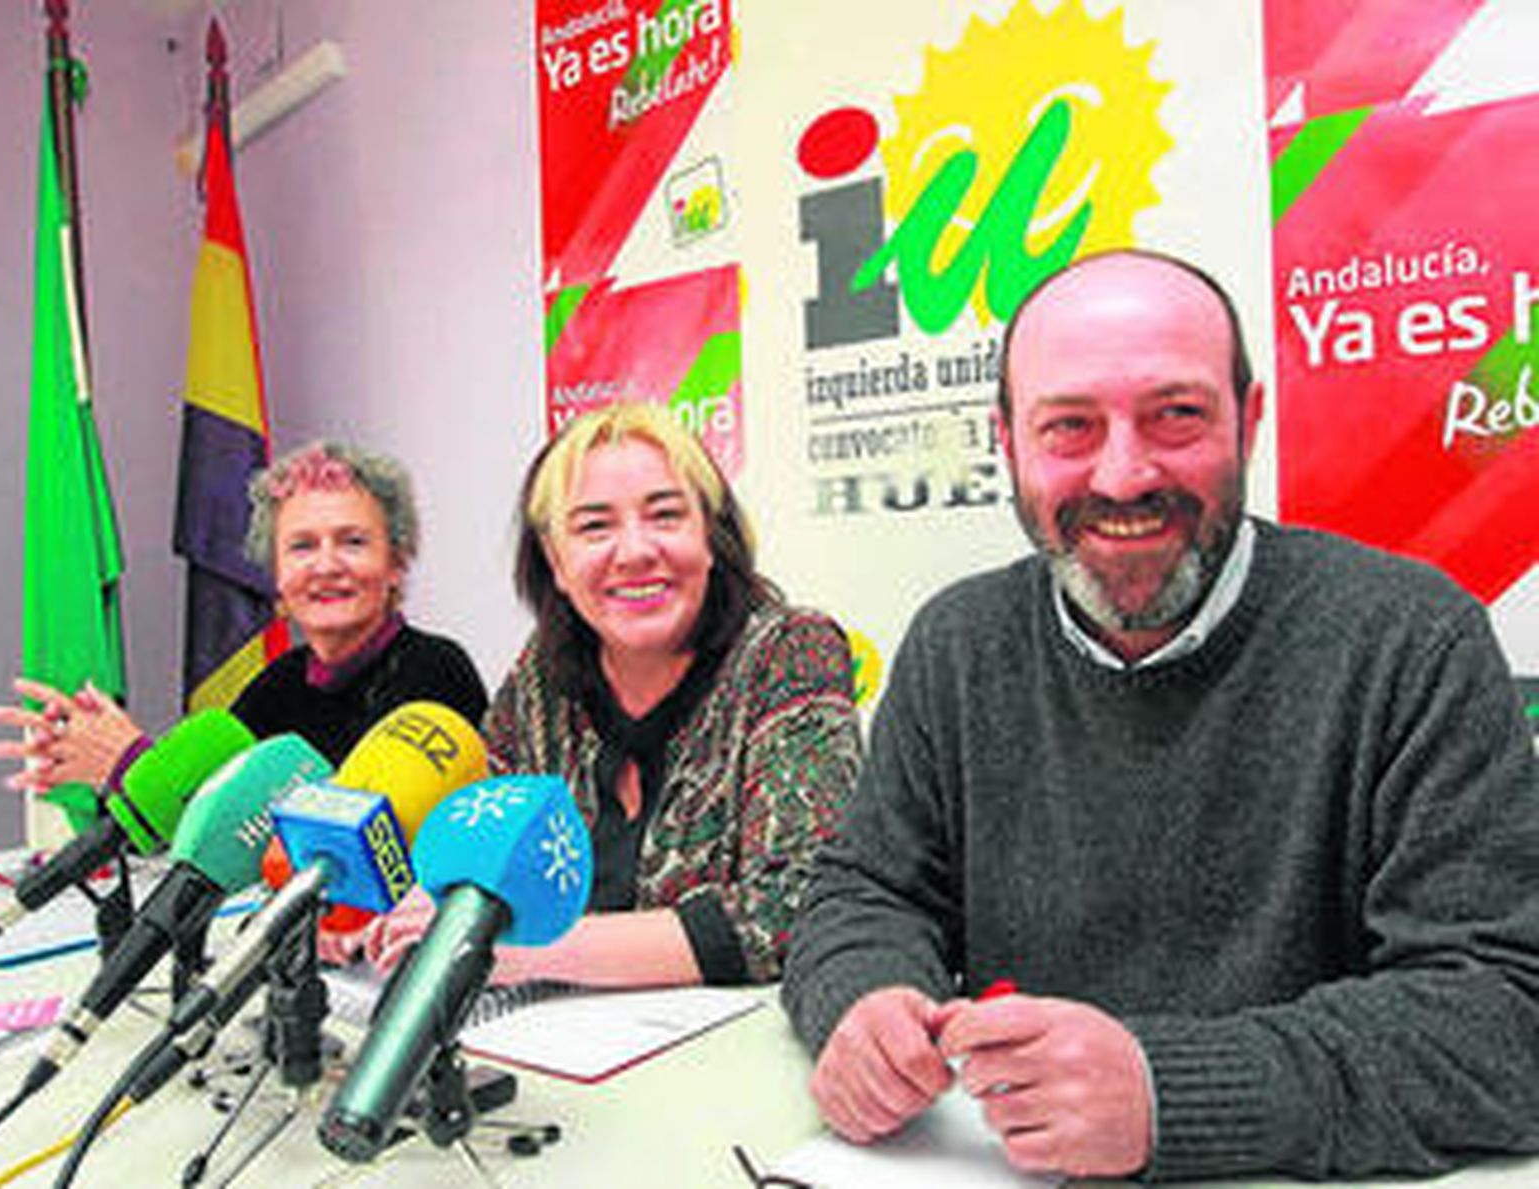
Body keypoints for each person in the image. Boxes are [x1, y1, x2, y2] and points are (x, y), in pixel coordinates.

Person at [781, 250, 1539, 1182]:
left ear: (1249, 422)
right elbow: (864, 892)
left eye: (1176, 415)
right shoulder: (957, 641)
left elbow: (1505, 1013)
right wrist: (865, 999)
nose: (1125, 474)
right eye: (1069, 426)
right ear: (1007, 442)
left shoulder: (1411, 640)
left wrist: (1168, 1089)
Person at [364, 401, 862, 986]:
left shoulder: (791, 651)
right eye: (595, 527)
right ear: (556, 560)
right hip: (559, 1033)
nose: (635, 551)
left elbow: (800, 908)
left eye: (665, 515)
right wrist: (409, 910)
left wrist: (527, 948)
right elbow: (481, 843)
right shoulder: (544, 675)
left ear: (710, 536)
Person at [0, 438, 488, 798]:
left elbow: (345, 827)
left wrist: (135, 766)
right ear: (276, 574)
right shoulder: (282, 681)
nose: (326, 565)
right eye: (302, 546)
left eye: (352, 542)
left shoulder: (435, 669)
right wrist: (101, 759)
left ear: (397, 563)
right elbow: (215, 810)